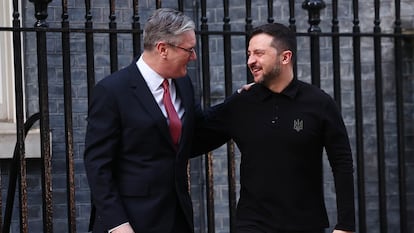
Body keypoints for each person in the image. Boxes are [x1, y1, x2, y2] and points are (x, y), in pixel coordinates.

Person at [195, 23, 355, 233]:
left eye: (259, 53)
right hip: (252, 226)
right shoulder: (241, 104)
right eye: (249, 54)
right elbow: (194, 138)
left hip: (305, 225)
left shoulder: (319, 103)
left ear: (285, 57)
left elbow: (342, 162)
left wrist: (346, 226)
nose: (251, 60)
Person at [84, 8, 204, 233]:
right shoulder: (112, 91)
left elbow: (200, 132)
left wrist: (241, 101)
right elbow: (98, 165)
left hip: (176, 219)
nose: (194, 56)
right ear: (163, 49)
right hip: (132, 221)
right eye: (189, 50)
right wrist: (118, 224)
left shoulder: (183, 85)